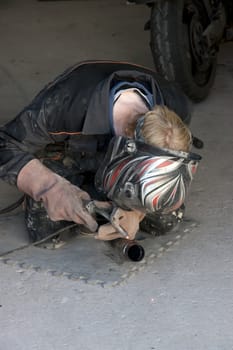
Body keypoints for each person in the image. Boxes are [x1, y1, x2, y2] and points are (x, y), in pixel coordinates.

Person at [0, 60, 201, 242]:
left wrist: (135, 210)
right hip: (74, 152)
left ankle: (107, 196)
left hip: (120, 154)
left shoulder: (178, 105)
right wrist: (50, 187)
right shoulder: (63, 105)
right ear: (127, 142)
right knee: (48, 233)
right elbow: (4, 142)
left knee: (165, 219)